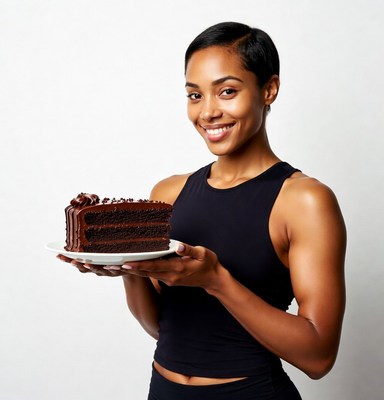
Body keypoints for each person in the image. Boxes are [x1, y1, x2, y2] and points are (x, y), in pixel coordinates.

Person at [59, 22, 346, 400]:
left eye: (227, 92)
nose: (208, 112)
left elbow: (318, 357)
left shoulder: (304, 201)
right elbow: (164, 328)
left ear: (269, 89)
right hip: (163, 391)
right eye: (195, 95)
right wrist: (129, 270)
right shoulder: (170, 192)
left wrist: (217, 281)